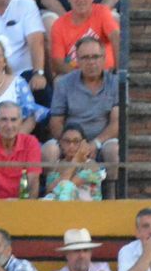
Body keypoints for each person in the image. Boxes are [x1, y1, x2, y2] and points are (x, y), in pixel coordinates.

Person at [41, 34, 115, 187]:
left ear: (104, 58)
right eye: (85, 57)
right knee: (49, 150)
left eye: (95, 57)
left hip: (101, 142)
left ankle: (112, 198)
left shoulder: (114, 83)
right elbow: (56, 121)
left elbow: (116, 123)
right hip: (69, 139)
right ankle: (50, 195)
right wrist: (70, 145)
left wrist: (94, 144)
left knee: (115, 149)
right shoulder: (64, 83)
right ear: (77, 60)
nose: (91, 62)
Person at [46, 0, 116, 74]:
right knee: (59, 81)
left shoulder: (102, 12)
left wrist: (119, 70)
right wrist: (84, 77)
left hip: (106, 74)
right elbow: (57, 63)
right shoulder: (59, 24)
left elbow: (116, 37)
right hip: (76, 78)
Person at [42, 124, 101, 199]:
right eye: (67, 141)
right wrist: (75, 161)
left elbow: (66, 189)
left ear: (84, 143)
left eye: (76, 141)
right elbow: (49, 191)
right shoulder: (56, 165)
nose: (71, 146)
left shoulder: (91, 165)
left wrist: (76, 161)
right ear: (60, 143)